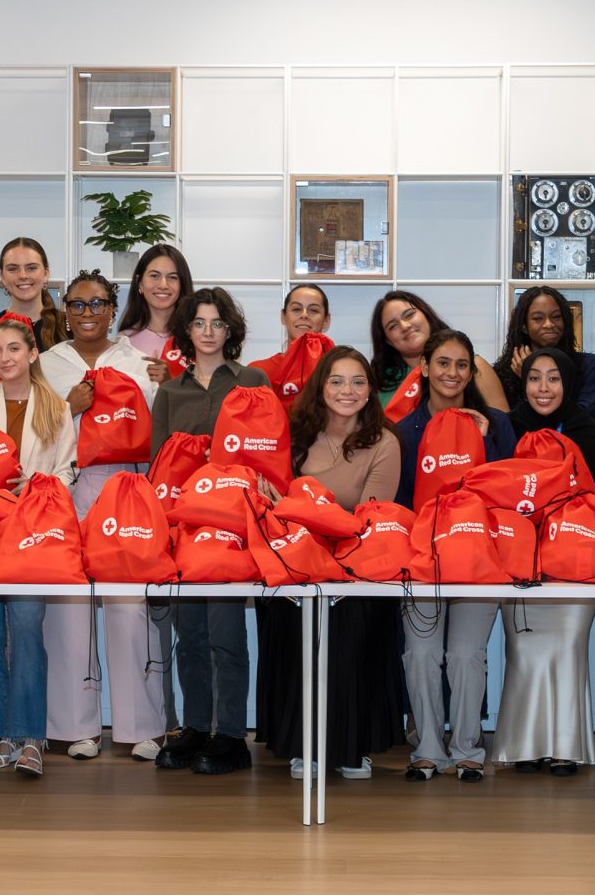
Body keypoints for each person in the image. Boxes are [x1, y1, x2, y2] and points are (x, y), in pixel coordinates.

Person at [38, 270, 169, 762]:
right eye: (77, 304)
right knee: (68, 606)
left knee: (129, 604)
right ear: (65, 309)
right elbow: (32, 432)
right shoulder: (48, 363)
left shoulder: (138, 360)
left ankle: (140, 727)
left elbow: (159, 428)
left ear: (114, 308)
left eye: (97, 304)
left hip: (126, 488)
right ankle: (73, 727)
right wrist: (68, 408)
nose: (87, 313)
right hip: (67, 486)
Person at [266, 346, 404, 778]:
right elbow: (269, 508)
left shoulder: (384, 442)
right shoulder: (292, 435)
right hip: (296, 566)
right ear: (320, 386)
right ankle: (300, 743)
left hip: (356, 571)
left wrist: (299, 511)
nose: (348, 390)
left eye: (358, 382)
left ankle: (352, 744)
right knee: (292, 626)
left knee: (350, 629)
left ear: (370, 391)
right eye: (337, 380)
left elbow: (366, 522)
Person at [149, 287, 268, 776]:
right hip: (183, 526)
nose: (208, 332)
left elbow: (266, 452)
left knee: (226, 634)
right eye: (199, 323)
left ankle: (232, 736)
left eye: (217, 323)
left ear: (230, 330)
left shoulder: (251, 382)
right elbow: (158, 466)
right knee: (190, 635)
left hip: (232, 525)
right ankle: (197, 727)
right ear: (187, 332)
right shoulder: (170, 390)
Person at [0, 317, 76, 778]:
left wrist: (39, 483)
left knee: (27, 632)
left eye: (13, 349)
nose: (4, 358)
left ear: (32, 354)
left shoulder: (56, 407)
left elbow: (67, 471)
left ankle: (29, 737)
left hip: (31, 534)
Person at [389, 329, 513, 782]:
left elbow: (509, 493)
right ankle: (426, 747)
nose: (452, 373)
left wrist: (488, 442)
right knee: (421, 655)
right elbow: (400, 502)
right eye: (443, 363)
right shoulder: (405, 431)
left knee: (465, 654)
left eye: (462, 365)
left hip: (480, 561)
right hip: (422, 562)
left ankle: (467, 748)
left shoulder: (496, 424)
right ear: (423, 367)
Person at [494, 347, 595, 776]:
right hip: (522, 564)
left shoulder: (592, 434)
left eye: (553, 378)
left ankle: (567, 747)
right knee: (524, 650)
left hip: (573, 563)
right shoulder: (507, 430)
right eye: (534, 378)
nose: (542, 388)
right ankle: (523, 746)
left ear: (568, 385)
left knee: (567, 650)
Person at [371, 291, 510, 417]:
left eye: (409, 315)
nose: (404, 326)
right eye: (393, 326)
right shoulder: (381, 381)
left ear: (426, 315)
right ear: (387, 340)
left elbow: (502, 428)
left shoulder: (474, 366)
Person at [497, 285, 595, 430]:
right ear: (524, 327)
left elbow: (580, 417)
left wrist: (529, 375)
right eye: (538, 318)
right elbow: (511, 425)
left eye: (556, 317)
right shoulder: (503, 372)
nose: (549, 324)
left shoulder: (587, 365)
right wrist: (526, 379)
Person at [0, 236, 63, 359]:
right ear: (2, 277)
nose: (22, 275)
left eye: (31, 268)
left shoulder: (67, 327)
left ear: (46, 273)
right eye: (13, 269)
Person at [117, 243, 190, 384]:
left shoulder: (197, 338)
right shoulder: (123, 343)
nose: (163, 285)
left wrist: (169, 382)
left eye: (173, 277)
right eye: (154, 276)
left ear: (182, 284)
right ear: (140, 283)